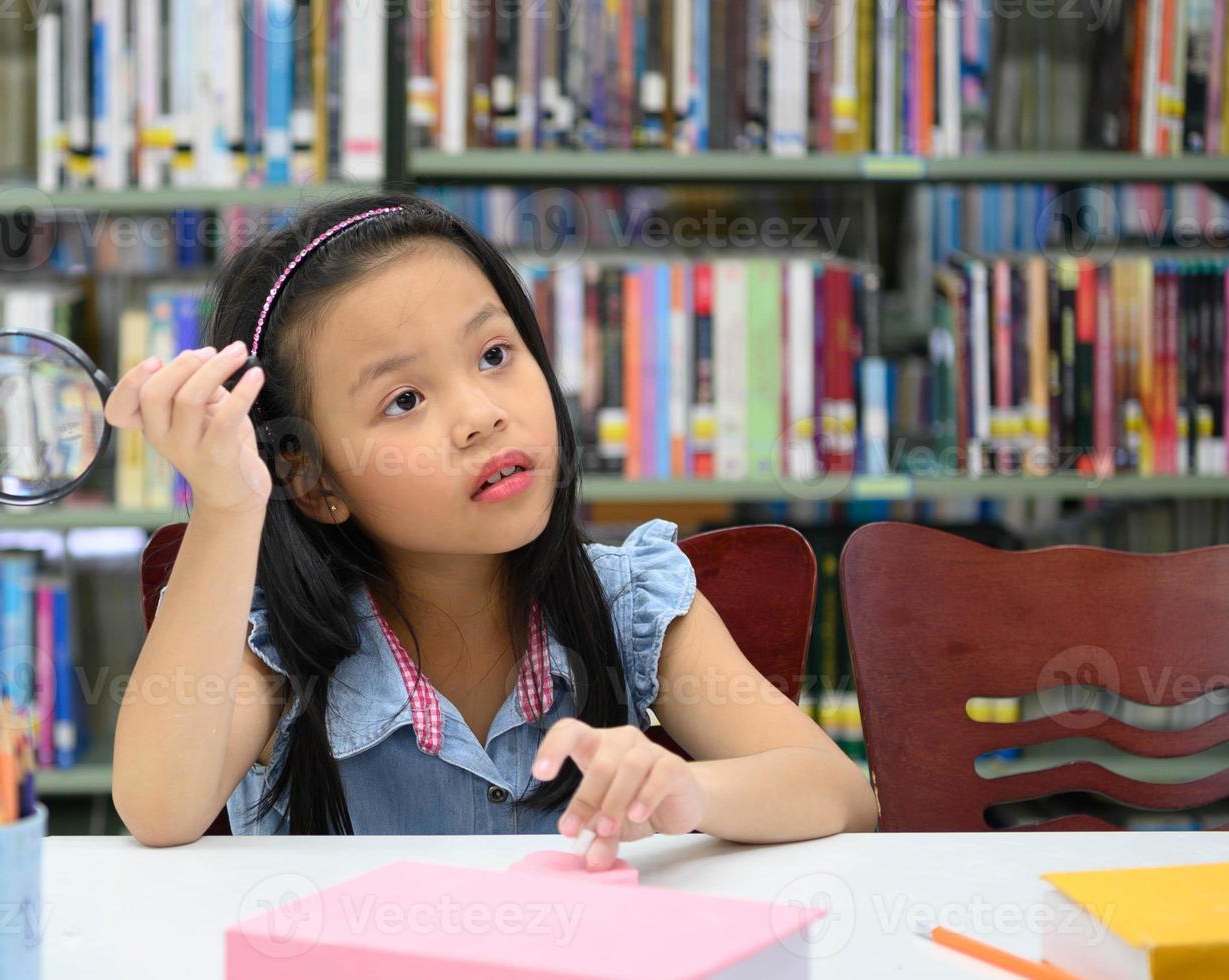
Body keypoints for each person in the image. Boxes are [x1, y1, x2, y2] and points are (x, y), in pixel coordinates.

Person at [106, 193, 876, 868]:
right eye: (404, 399)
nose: (481, 415)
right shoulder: (274, 641)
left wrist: (689, 788)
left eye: (495, 354)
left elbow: (840, 795)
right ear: (313, 481)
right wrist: (231, 503)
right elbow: (159, 810)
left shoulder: (629, 599)